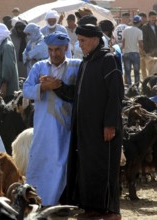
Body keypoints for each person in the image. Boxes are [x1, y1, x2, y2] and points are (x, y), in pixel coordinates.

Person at [65, 24, 124, 220]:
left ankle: (109, 211)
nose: (79, 45)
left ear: (95, 39)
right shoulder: (86, 62)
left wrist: (110, 124)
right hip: (86, 127)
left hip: (103, 127)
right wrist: (57, 88)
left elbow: (115, 95)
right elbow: (79, 93)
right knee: (88, 166)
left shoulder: (109, 60)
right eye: (78, 40)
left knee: (103, 166)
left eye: (82, 41)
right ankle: (92, 207)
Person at [23, 31, 81, 206]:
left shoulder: (76, 66)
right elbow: (26, 90)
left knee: (62, 163)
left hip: (67, 125)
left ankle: (59, 201)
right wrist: (43, 86)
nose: (54, 54)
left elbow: (81, 90)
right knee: (41, 160)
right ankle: (38, 199)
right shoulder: (39, 67)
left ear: (66, 48)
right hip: (44, 125)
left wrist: (61, 86)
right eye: (50, 50)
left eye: (58, 50)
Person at [0, 23, 19, 103]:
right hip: (0, 88)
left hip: (5, 91)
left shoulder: (6, 46)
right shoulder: (2, 45)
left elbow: (8, 67)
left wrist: (4, 85)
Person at [122, 15, 144, 86]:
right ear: (140, 22)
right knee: (136, 71)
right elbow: (140, 44)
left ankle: (128, 86)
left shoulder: (125, 30)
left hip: (126, 53)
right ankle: (136, 87)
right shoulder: (139, 31)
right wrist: (143, 51)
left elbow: (123, 43)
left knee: (127, 71)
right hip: (135, 53)